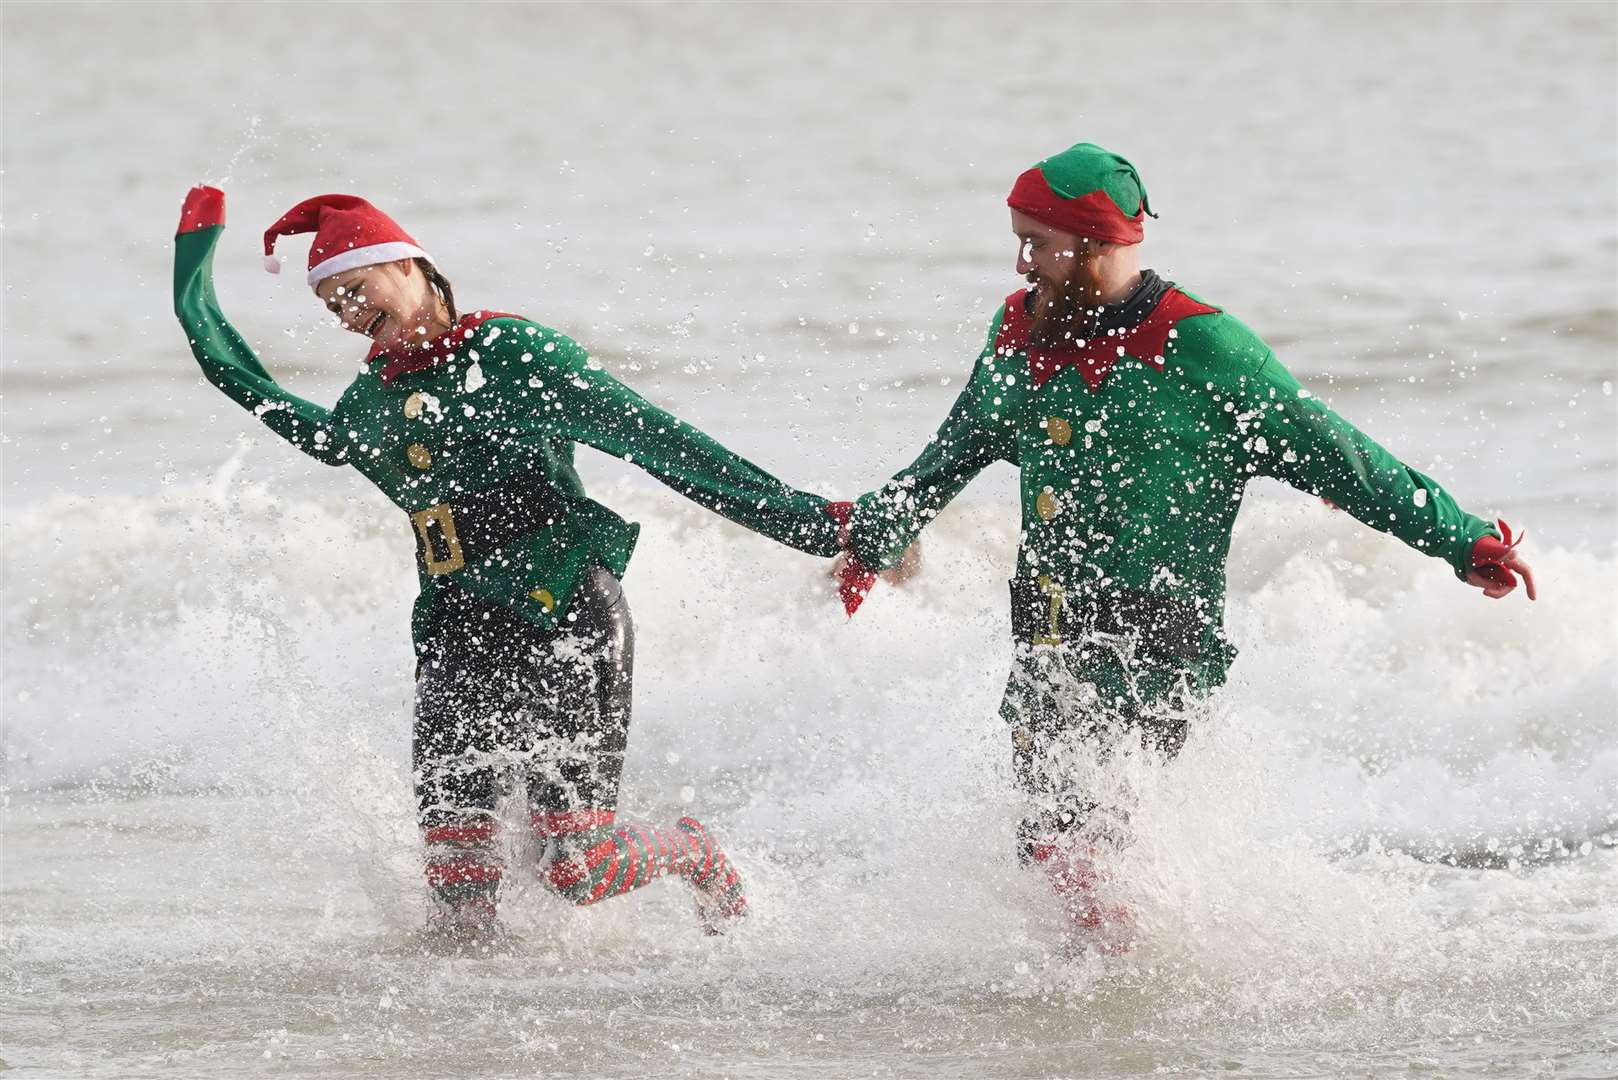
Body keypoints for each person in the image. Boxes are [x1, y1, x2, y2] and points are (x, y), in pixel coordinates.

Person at [832, 143, 1536, 950]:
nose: (1022, 260)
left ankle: (1130, 1005)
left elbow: (1342, 457)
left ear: (1096, 243)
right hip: (1047, 632)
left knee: (1083, 848)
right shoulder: (1017, 330)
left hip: (1158, 638)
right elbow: (952, 450)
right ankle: (1113, 1000)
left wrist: (1461, 538)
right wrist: (873, 540)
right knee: (1045, 849)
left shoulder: (1205, 348)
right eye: (1018, 239)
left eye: (1040, 242)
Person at [173, 186, 849, 944]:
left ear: (408, 266)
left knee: (578, 870)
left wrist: (817, 525)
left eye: (355, 291)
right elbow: (265, 398)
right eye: (331, 305)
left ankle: (693, 851)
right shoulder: (370, 402)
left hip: (565, 614)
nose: (346, 314)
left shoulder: (517, 355)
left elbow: (660, 439)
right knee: (458, 900)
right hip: (457, 636)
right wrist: (192, 285)